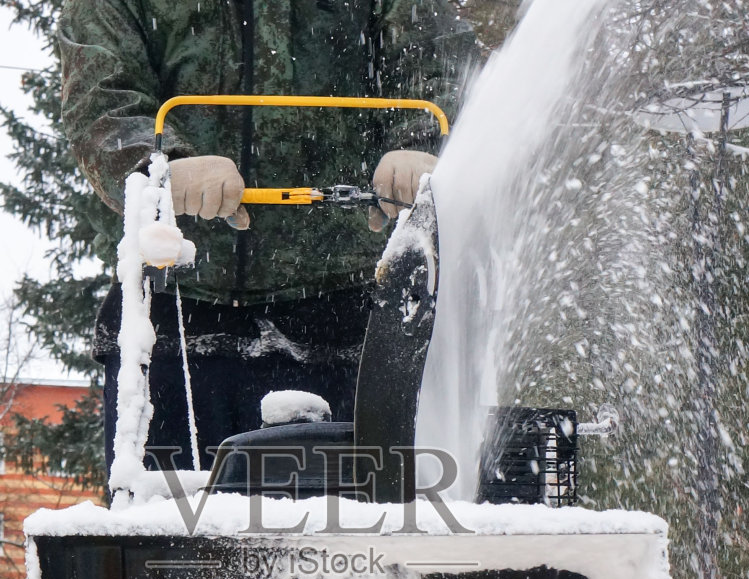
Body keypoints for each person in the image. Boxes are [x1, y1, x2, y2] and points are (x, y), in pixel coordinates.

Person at [57, 0, 477, 474]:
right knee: (167, 516)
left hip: (346, 319)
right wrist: (160, 164)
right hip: (173, 318)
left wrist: (422, 146)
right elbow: (101, 97)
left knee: (350, 516)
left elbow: (439, 61)